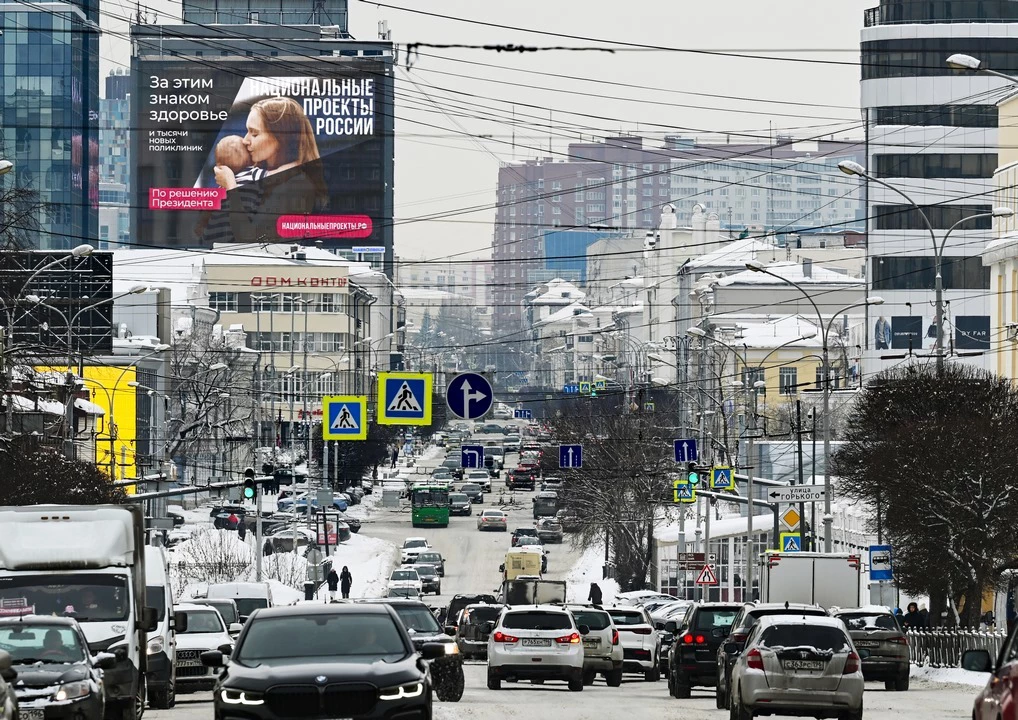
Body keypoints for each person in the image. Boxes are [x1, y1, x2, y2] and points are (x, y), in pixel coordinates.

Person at [213, 96, 327, 243]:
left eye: (254, 134)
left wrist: (231, 187)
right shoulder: (253, 174)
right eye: (247, 131)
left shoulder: (297, 185)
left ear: (281, 137)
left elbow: (250, 240)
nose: (245, 140)